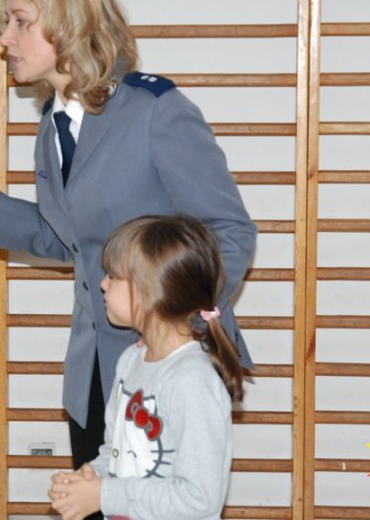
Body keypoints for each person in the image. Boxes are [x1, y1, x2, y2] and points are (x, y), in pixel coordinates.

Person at [0, 0, 256, 475]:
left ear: (68, 23)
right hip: (94, 373)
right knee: (95, 504)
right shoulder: (53, 124)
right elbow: (70, 240)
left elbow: (231, 233)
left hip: (168, 371)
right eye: (6, 22)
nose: (5, 38)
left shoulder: (153, 110)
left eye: (20, 21)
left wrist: (173, 325)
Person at [48, 215, 243, 520]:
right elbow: (115, 450)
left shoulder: (192, 382)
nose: (102, 284)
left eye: (113, 276)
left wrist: (104, 494)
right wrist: (90, 478)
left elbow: (199, 498)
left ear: (150, 292)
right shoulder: (131, 361)